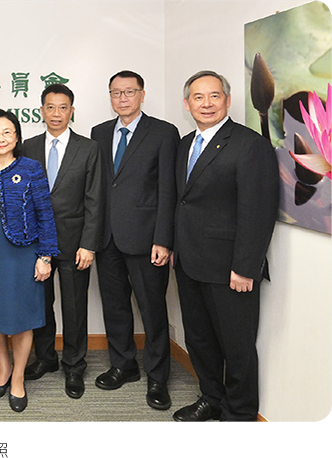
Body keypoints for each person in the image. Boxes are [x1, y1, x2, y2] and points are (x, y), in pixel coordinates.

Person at [172, 71, 278, 422]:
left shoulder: (249, 144)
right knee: (199, 341)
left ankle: (240, 413)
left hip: (230, 267)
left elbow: (258, 210)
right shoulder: (186, 143)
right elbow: (183, 202)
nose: (206, 104)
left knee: (237, 347)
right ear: (187, 104)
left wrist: (246, 266)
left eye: (214, 96)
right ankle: (211, 399)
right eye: (198, 97)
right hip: (189, 261)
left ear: (228, 100)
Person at [90, 70, 179, 410]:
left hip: (147, 239)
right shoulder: (99, 132)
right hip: (107, 238)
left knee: (152, 310)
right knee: (114, 307)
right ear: (110, 96)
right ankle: (123, 365)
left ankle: (158, 377)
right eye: (116, 92)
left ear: (142, 94)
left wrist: (164, 238)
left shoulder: (163, 132)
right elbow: (100, 186)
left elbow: (168, 190)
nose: (123, 98)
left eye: (129, 92)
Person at [0, 109, 59, 413]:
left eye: (7, 132)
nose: (1, 138)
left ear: (17, 137)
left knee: (21, 318)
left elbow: (45, 214)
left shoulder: (31, 168)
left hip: (22, 255)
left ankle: (18, 377)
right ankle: (3, 369)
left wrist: (45, 256)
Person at [22, 83, 103, 399]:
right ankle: (46, 359)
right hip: (36, 245)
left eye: (63, 107)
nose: (56, 113)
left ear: (72, 111)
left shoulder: (88, 148)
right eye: (50, 107)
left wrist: (89, 243)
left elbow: (95, 199)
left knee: (74, 306)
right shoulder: (27, 147)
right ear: (41, 110)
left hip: (74, 243)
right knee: (40, 305)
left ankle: (74, 365)